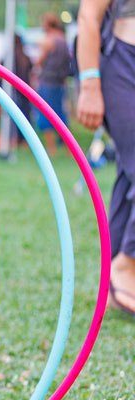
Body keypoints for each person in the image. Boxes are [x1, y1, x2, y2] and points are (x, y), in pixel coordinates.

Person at [76, 0, 135, 317]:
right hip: (122, 61)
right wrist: (90, 84)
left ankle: (114, 284)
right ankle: (127, 264)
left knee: (130, 171)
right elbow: (89, 15)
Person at [36, 12, 72, 157]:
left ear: (47, 24)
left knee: (46, 115)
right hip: (60, 82)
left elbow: (39, 61)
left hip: (47, 81)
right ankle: (69, 150)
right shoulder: (63, 39)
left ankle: (51, 150)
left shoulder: (48, 40)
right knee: (61, 115)